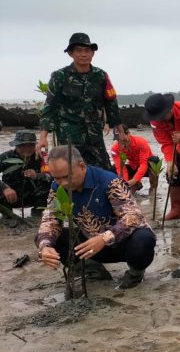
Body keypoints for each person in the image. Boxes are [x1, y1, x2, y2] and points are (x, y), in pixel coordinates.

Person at [35, 146, 156, 289]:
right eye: (57, 178)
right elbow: (50, 219)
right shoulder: (57, 187)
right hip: (89, 245)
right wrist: (45, 247)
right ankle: (92, 269)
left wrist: (104, 238)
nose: (63, 183)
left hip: (122, 243)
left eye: (67, 177)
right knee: (43, 237)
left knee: (144, 239)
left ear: (82, 166)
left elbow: (134, 217)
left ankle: (136, 273)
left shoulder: (110, 181)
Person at [38, 33, 127, 171]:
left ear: (93, 53)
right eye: (79, 50)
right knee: (72, 173)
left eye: (88, 50)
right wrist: (43, 137)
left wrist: (121, 133)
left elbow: (111, 104)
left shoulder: (101, 76)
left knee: (105, 173)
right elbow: (50, 106)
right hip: (69, 136)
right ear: (71, 53)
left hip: (95, 135)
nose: (84, 54)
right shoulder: (59, 76)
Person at [143, 93, 180, 220]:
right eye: (156, 117)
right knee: (173, 175)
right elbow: (166, 142)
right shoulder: (155, 122)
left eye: (161, 116)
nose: (160, 120)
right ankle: (177, 210)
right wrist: (170, 161)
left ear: (169, 109)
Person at [0, 130, 52, 218]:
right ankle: (7, 214)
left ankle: (39, 213)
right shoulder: (6, 157)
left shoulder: (42, 157)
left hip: (35, 197)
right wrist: (4, 188)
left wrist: (37, 175)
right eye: (22, 145)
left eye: (30, 145)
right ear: (16, 145)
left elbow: (54, 177)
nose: (27, 149)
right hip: (10, 197)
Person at [110, 128, 160, 193]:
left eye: (124, 140)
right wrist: (125, 182)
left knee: (154, 161)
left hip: (147, 167)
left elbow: (143, 164)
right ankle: (135, 185)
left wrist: (134, 180)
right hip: (133, 167)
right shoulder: (115, 149)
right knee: (113, 168)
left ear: (128, 134)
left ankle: (153, 188)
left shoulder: (141, 142)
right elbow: (121, 167)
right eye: (119, 140)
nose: (122, 143)